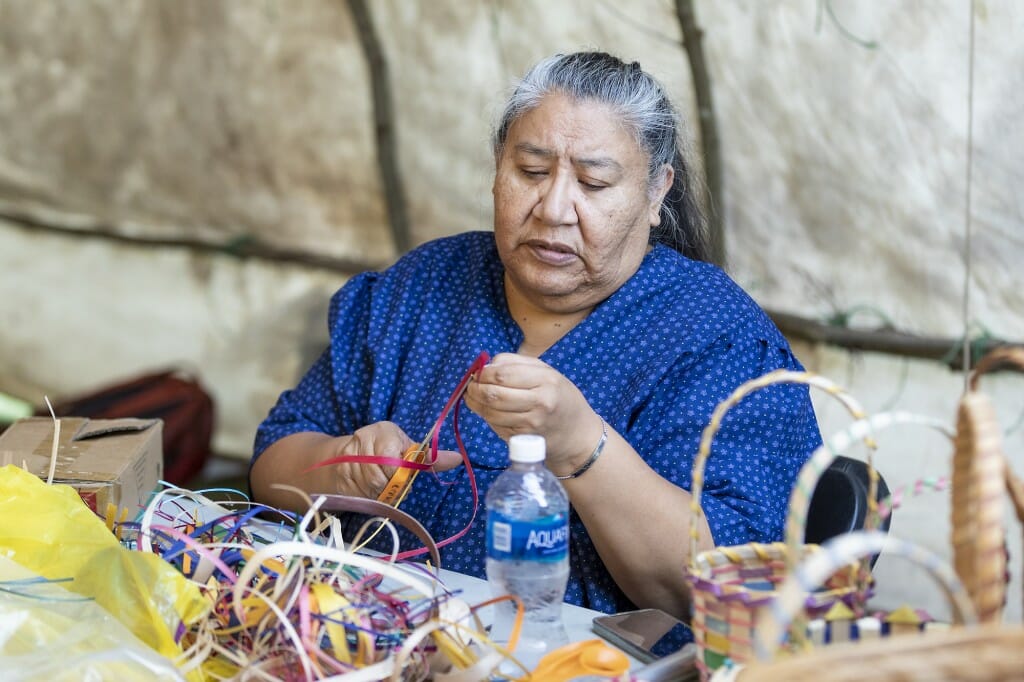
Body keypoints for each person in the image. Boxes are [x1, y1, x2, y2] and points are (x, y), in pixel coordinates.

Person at [250, 51, 821, 621]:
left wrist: (579, 444)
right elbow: (272, 462)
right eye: (531, 171)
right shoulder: (422, 287)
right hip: (368, 634)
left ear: (655, 194)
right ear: (498, 166)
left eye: (594, 183)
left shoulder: (719, 339)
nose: (553, 209)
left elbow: (728, 590)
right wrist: (343, 464)